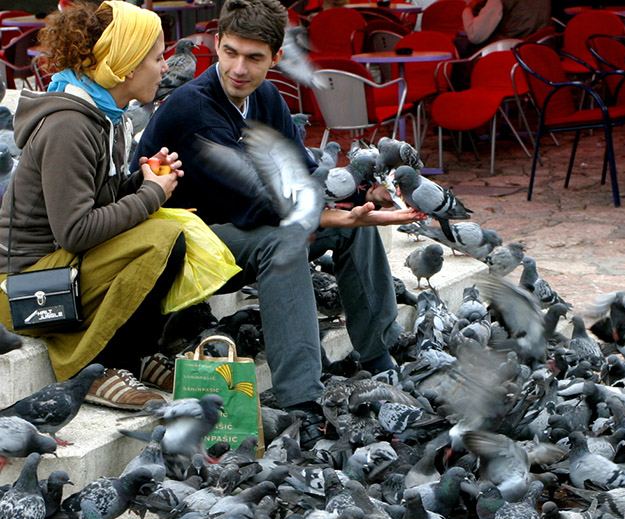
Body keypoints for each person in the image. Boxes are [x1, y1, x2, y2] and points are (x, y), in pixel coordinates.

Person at [135, 0, 425, 443]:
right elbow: (252, 204)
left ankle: (379, 350)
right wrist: (321, 213)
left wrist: (356, 203)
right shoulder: (192, 107)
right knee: (285, 242)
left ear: (274, 59)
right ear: (216, 45)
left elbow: (305, 172)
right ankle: (301, 399)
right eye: (230, 52)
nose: (238, 68)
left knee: (353, 227)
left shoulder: (266, 98)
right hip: (190, 243)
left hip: (248, 228)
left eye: (253, 58)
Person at [0, 1, 187, 409]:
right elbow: (76, 231)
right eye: (157, 58)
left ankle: (137, 356)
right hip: (22, 290)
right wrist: (151, 194)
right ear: (127, 66)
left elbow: (99, 206)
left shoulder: (109, 117)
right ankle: (98, 367)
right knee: (162, 236)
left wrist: (143, 180)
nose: (165, 68)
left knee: (174, 231)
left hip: (57, 268)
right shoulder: (71, 124)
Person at [459, 0, 552, 56]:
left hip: (506, 54)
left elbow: (475, 36)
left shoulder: (499, 1)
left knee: (459, 43)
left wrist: (468, 9)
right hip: (538, 55)